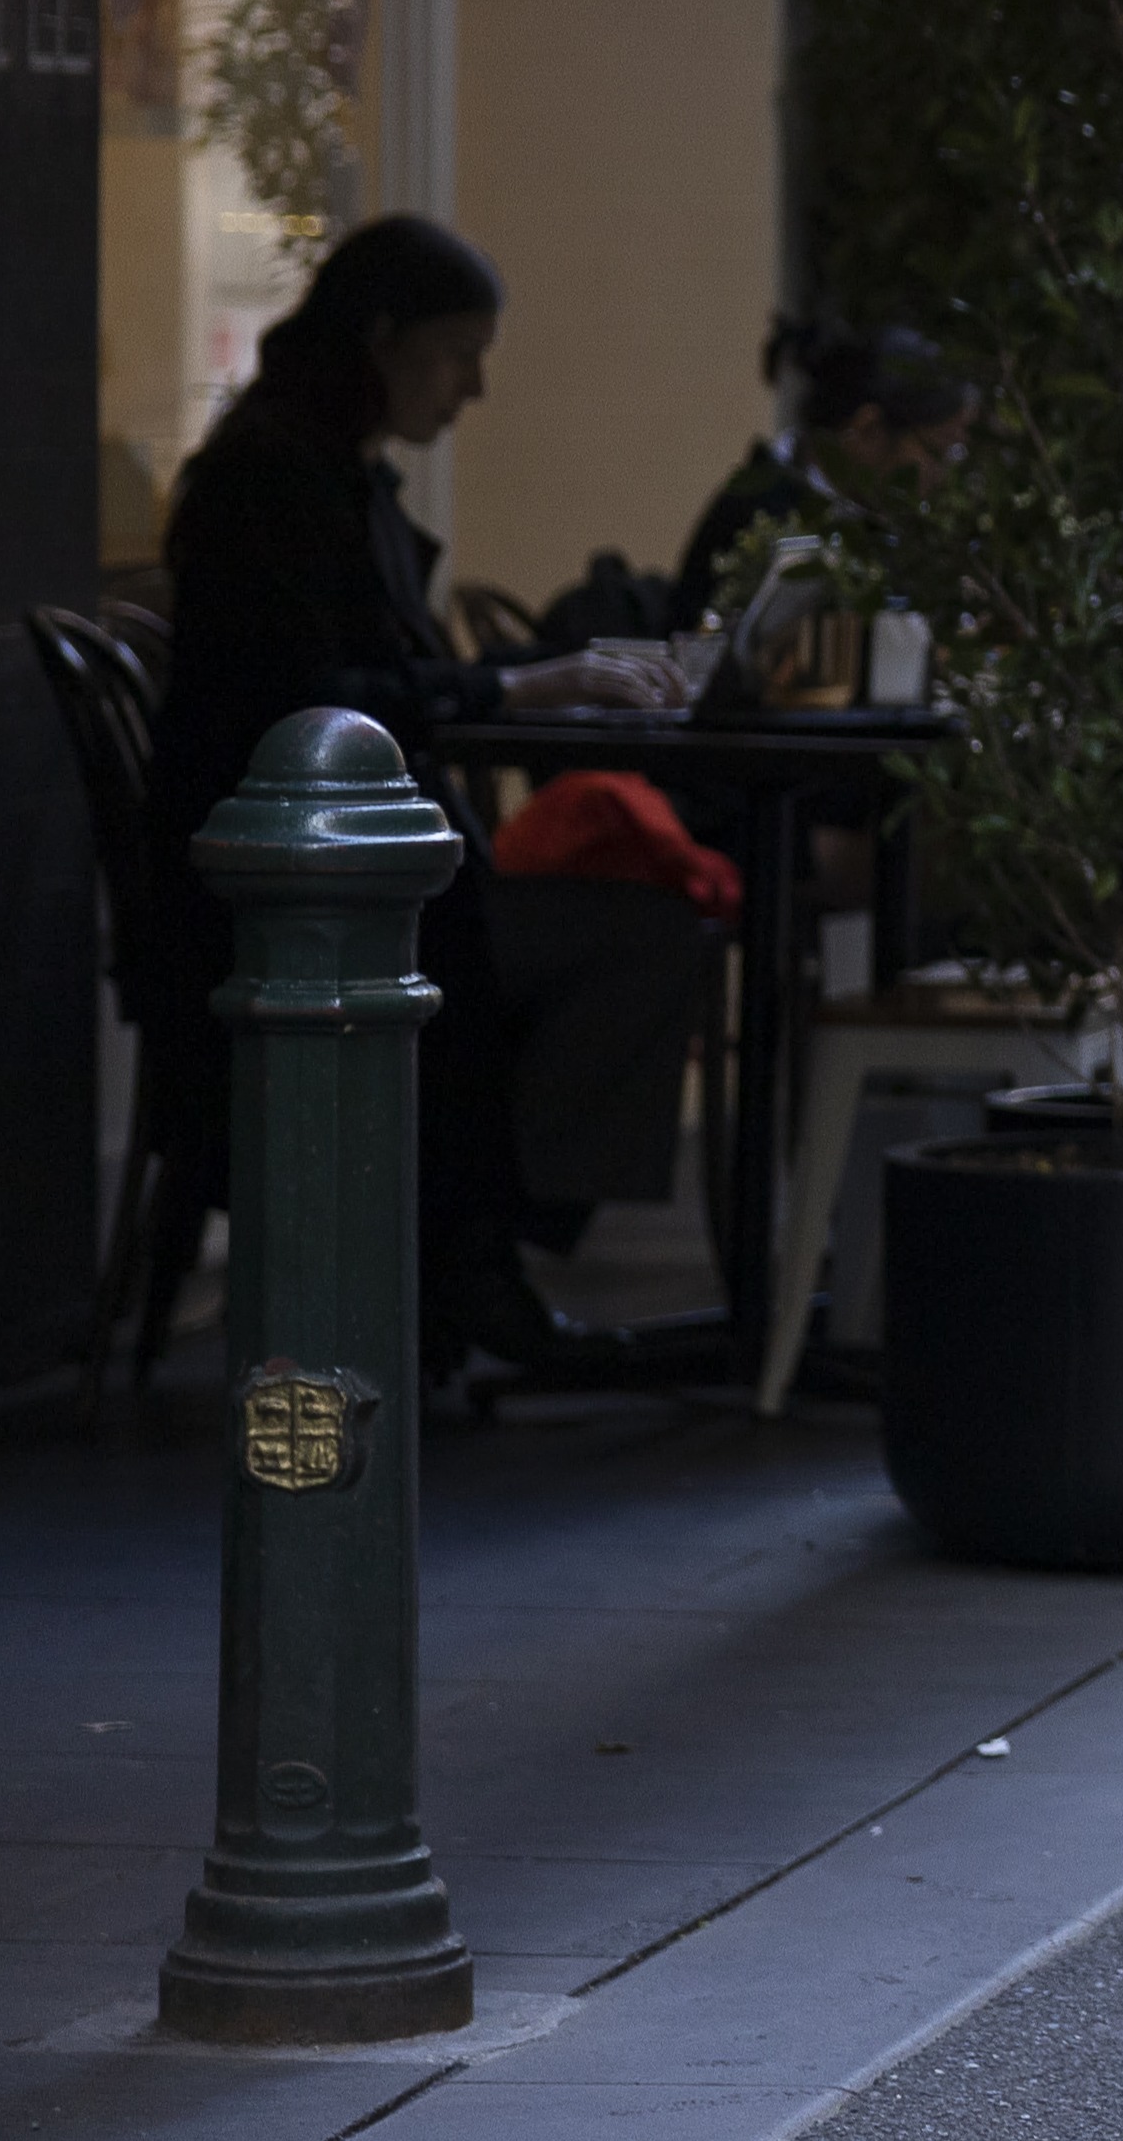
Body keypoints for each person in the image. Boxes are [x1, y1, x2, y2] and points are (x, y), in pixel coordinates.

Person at [145, 217, 719, 1379]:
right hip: (314, 911)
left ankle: (475, 1249)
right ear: (383, 339)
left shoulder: (299, 470)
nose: (475, 388)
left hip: (336, 890)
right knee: (649, 937)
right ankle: (478, 1253)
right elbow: (313, 697)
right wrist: (520, 682)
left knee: (637, 928)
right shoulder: (276, 482)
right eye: (459, 353)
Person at [675, 314, 970, 622]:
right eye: (940, 451)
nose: (945, 472)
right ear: (867, 430)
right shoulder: (761, 516)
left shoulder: (876, 522)